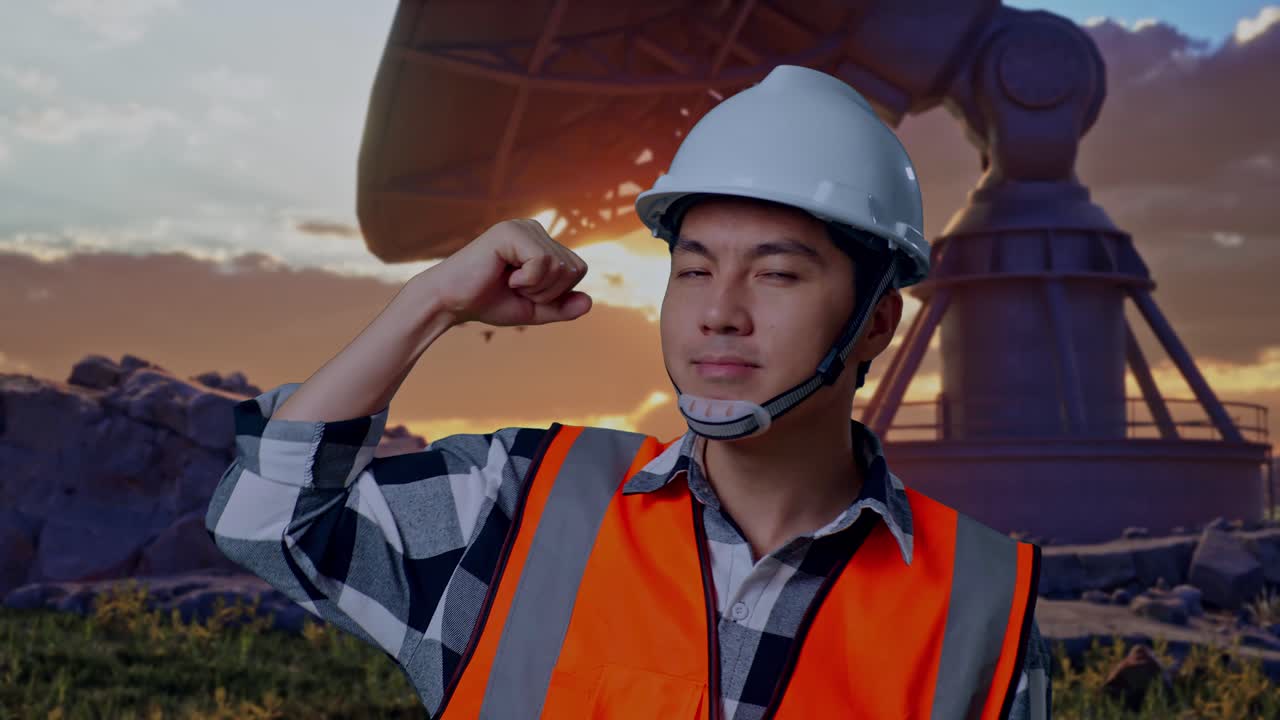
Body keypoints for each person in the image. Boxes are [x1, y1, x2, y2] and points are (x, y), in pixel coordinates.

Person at [206, 65, 1052, 719]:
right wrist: (432, 304)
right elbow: (266, 516)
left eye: (779, 274)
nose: (720, 312)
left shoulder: (979, 604)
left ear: (876, 324)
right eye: (692, 270)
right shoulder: (515, 504)